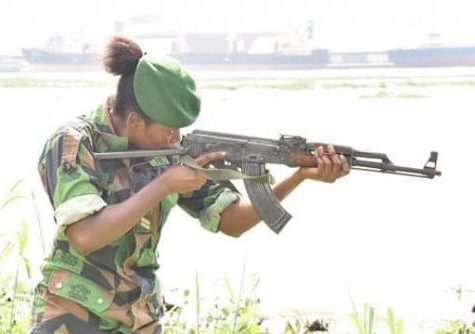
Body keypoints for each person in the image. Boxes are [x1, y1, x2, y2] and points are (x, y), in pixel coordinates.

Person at [30, 35, 350, 334]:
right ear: (135, 122)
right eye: (170, 130)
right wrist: (164, 185)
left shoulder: (169, 153)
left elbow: (231, 221)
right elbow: (84, 236)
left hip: (140, 317)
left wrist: (298, 177)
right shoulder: (74, 143)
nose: (177, 139)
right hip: (72, 314)